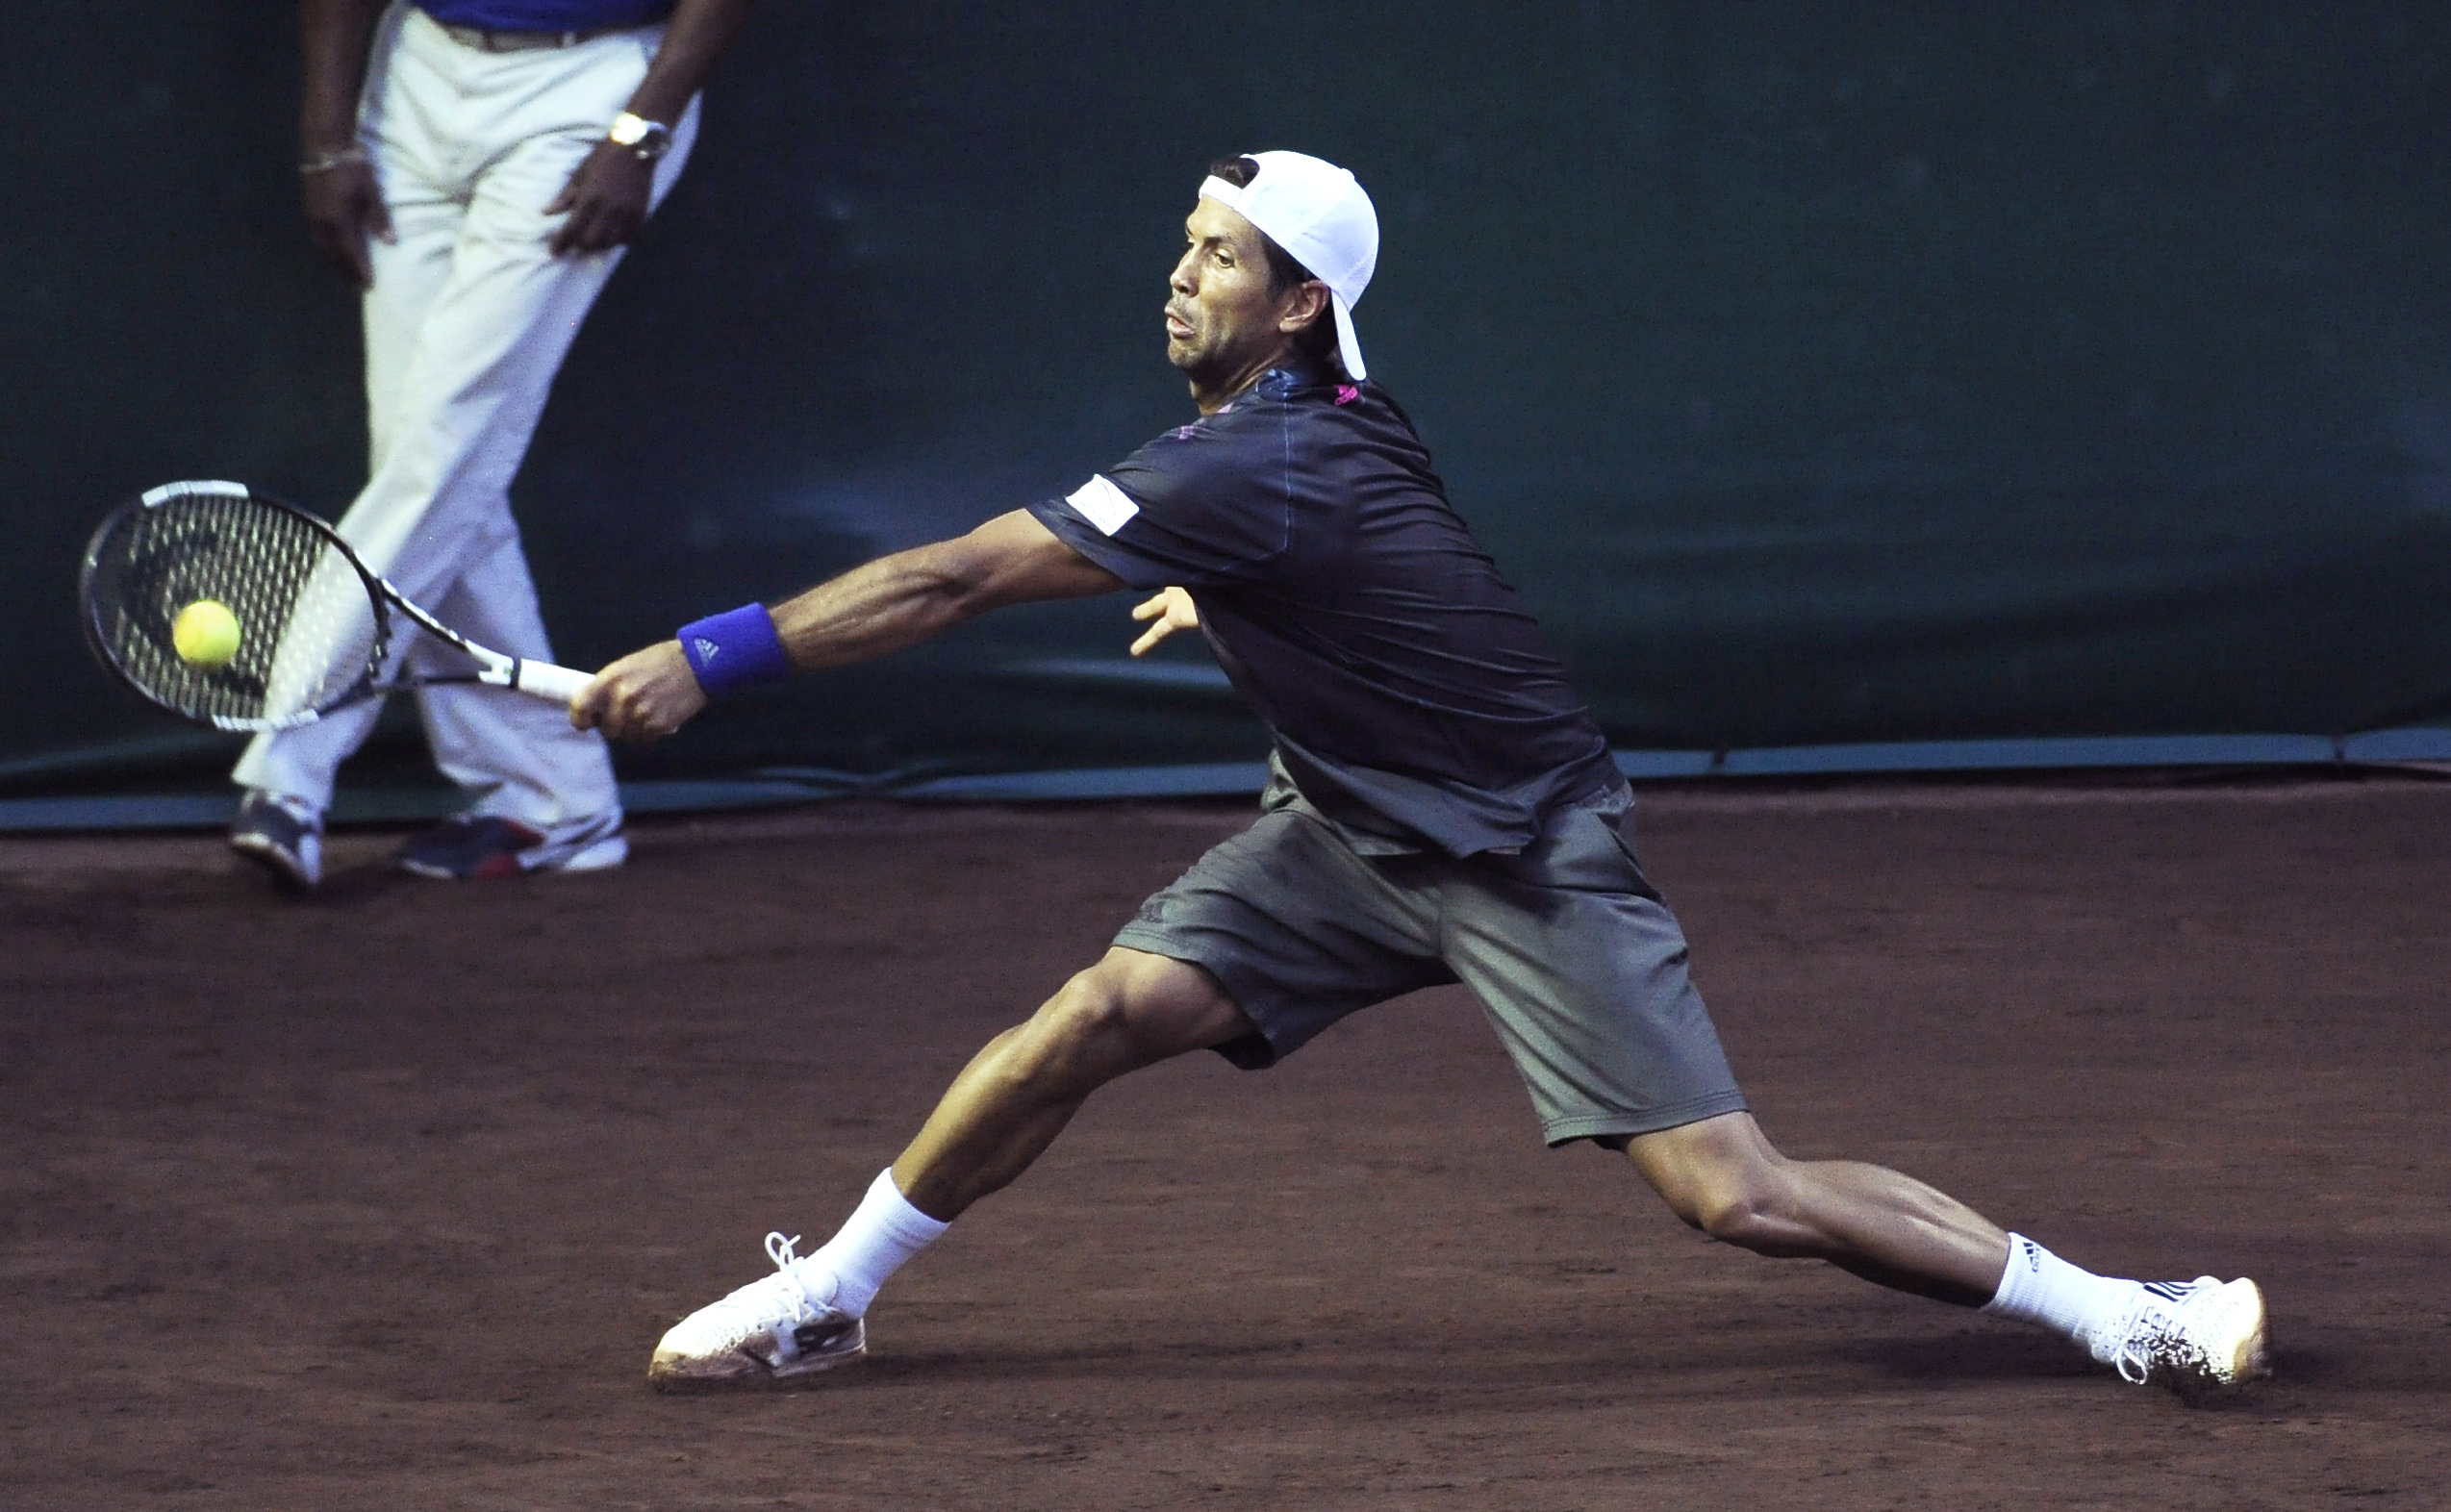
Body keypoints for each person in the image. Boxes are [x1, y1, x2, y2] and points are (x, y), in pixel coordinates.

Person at [575, 151, 2271, 1402]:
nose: (1180, 278)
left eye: (1220, 260)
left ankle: (2124, 1308)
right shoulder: (1305, 423)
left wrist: (703, 656)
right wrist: (1222, 588)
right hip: (1342, 828)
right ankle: (837, 1292)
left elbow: (944, 580)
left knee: (1733, 1196)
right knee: (1093, 1013)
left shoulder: (1266, 458)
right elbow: (1323, 557)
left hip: (1524, 849)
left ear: (1296, 301)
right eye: (1180, 245)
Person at [228, 0, 753, 891]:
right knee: (433, 462)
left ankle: (288, 766)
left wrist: (640, 131)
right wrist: (329, 140)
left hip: (591, 90)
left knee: (444, 444)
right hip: (414, 77)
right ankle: (553, 797)